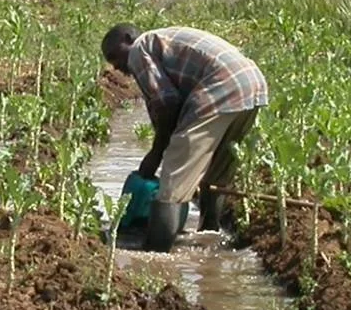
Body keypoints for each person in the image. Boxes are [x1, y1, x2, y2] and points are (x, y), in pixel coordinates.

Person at [101, 24, 268, 252]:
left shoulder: (139, 49)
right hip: (251, 85)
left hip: (222, 84)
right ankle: (209, 240)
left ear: (129, 38)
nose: (116, 66)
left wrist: (157, 153)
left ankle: (156, 252)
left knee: (174, 178)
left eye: (114, 56)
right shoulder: (163, 40)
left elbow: (167, 103)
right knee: (216, 175)